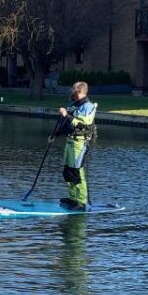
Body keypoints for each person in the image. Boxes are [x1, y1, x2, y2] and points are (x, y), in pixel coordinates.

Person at [56, 81, 96, 211]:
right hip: (69, 142)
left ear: (79, 91)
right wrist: (55, 135)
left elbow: (81, 125)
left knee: (76, 171)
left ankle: (81, 201)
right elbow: (65, 124)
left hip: (79, 143)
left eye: (73, 90)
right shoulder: (73, 105)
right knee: (67, 171)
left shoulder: (88, 107)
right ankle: (73, 198)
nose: (71, 92)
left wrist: (65, 115)